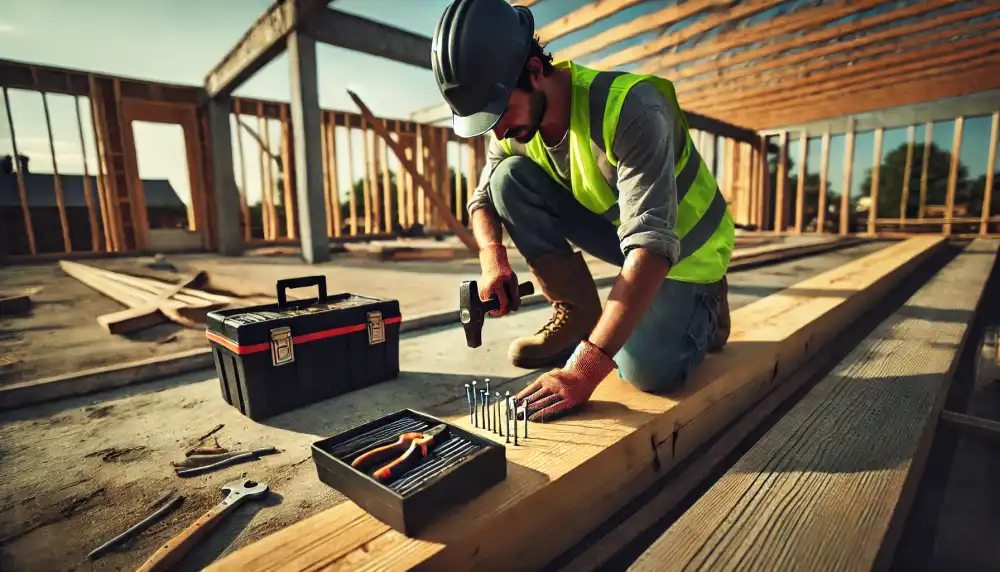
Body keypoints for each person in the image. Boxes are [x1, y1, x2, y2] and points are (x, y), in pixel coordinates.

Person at [431, 0, 733, 422]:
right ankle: (578, 311)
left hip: (686, 251)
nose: (496, 130)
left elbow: (651, 244)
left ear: (534, 71)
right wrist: (491, 259)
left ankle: (708, 306)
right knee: (506, 180)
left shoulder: (632, 108)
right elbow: (483, 198)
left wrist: (583, 369)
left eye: (499, 112)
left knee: (646, 372)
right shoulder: (514, 126)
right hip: (626, 232)